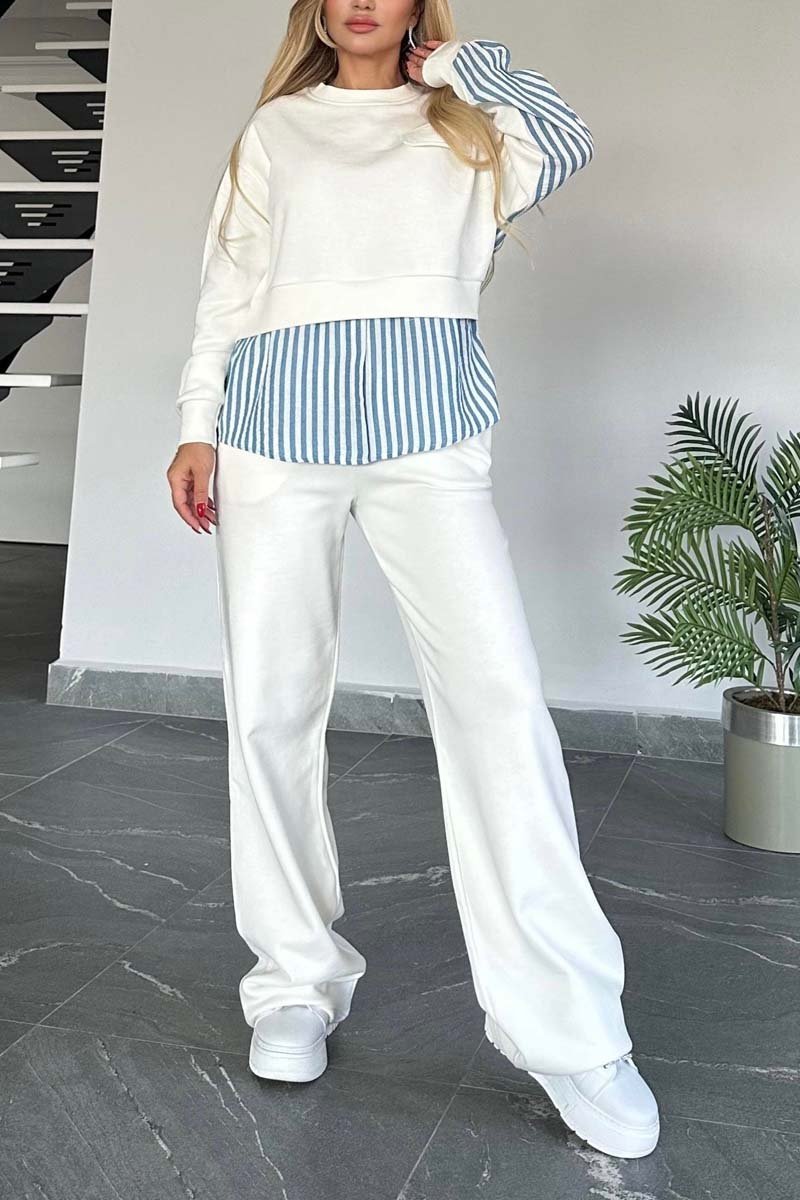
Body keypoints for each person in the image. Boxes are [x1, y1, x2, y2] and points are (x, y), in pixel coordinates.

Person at [166, 0, 660, 1161]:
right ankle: (293, 981)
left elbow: (566, 135)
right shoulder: (277, 130)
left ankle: (570, 1033)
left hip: (427, 434)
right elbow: (228, 285)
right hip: (271, 432)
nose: (362, 0)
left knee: (498, 707)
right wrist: (195, 423)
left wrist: (461, 65)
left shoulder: (467, 127)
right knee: (272, 706)